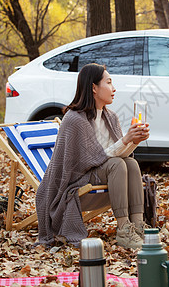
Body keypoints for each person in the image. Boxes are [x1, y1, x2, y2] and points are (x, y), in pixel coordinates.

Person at [36, 63, 150, 249]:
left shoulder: (110, 116)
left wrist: (134, 140)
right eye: (109, 83)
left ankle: (137, 226)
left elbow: (119, 154)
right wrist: (126, 138)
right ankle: (123, 229)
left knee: (130, 163)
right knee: (118, 165)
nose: (114, 89)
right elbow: (89, 161)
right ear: (94, 88)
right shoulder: (75, 119)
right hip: (77, 183)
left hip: (105, 176)